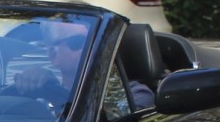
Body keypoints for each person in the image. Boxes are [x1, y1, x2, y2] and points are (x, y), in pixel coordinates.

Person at [10, 22, 156, 111]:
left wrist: (56, 95)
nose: (94, 49)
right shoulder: (33, 105)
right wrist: (32, 85)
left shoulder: (134, 95)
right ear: (53, 55)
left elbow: (117, 120)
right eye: (78, 42)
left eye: (100, 41)